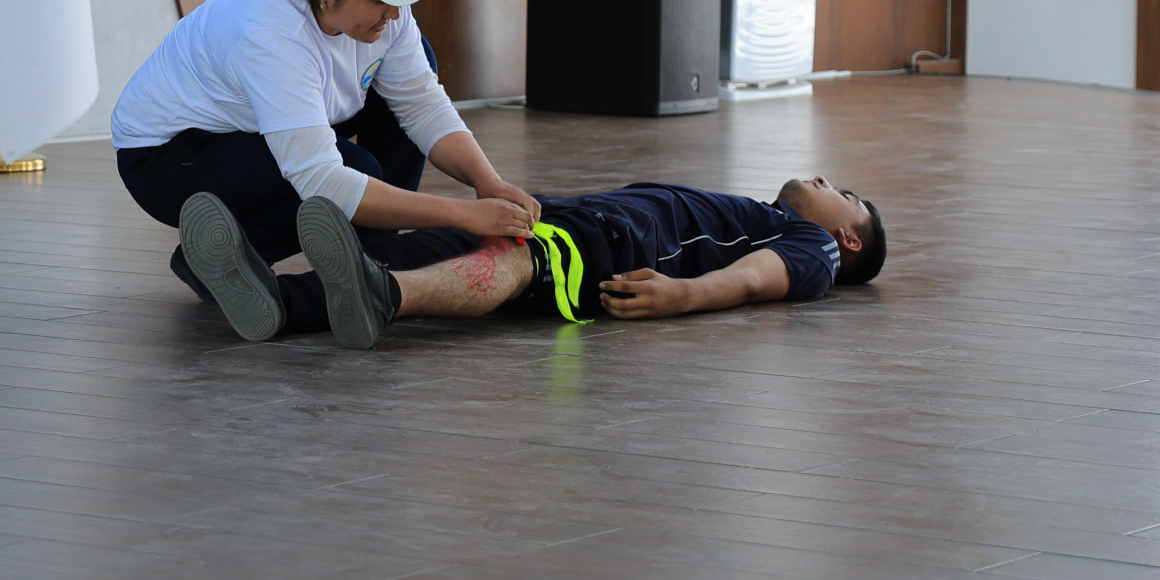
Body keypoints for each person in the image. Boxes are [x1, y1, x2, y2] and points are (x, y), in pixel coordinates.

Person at [110, 0, 540, 343]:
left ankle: (374, 257)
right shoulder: (270, 34)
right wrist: (463, 216)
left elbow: (421, 104)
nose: (393, 13)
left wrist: (486, 182)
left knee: (414, 69)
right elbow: (323, 180)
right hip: (170, 157)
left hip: (253, 128)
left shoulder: (382, 10)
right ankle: (236, 254)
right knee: (355, 172)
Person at [215, 174, 888, 349]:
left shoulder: (817, 249)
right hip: (576, 216)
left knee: (517, 262)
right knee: (418, 244)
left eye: (845, 196)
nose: (828, 181)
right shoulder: (764, 218)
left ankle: (384, 298)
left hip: (616, 248)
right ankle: (274, 299)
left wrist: (686, 297)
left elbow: (757, 279)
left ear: (848, 239)